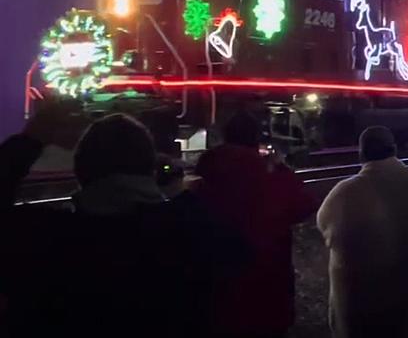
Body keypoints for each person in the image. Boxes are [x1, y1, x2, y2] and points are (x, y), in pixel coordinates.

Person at [0, 106, 246, 338]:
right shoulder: (188, 232)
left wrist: (29, 140)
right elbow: (238, 254)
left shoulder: (42, 237)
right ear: (151, 171)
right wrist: (175, 190)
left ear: (81, 171)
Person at [317, 126, 408, 338]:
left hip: (364, 321)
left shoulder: (344, 194)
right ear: (395, 149)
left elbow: (325, 229)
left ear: (361, 154)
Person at [195, 112, 317, 338]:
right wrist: (281, 168)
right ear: (256, 139)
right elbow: (305, 204)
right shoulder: (270, 177)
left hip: (217, 296)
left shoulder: (204, 178)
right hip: (268, 293)